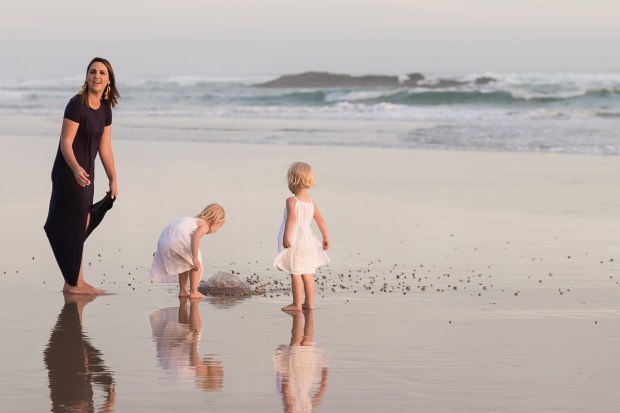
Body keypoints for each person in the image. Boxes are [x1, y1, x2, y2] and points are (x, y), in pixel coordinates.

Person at [44, 57, 120, 295]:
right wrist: (76, 169)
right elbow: (65, 142)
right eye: (93, 72)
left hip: (87, 173)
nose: (97, 76)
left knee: (82, 222)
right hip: (69, 171)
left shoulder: (105, 110)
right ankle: (74, 284)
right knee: (76, 223)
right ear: (87, 77)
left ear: (109, 80)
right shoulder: (76, 105)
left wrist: (113, 178)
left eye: (102, 73)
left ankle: (75, 281)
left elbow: (104, 147)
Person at [44, 294, 116, 413]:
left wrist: (107, 384)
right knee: (73, 306)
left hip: (71, 379)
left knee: (73, 305)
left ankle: (76, 287)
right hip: (64, 369)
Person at [274, 162, 330, 311]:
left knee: (296, 273)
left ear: (293, 181)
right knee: (307, 272)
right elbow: (320, 220)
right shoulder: (311, 202)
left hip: (296, 240)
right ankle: (309, 303)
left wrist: (286, 236)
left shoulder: (292, 201)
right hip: (309, 241)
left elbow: (291, 219)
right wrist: (325, 237)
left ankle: (297, 304)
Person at [150, 203, 225, 299]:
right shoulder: (204, 225)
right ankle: (194, 292)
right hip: (178, 238)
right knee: (196, 264)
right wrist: (195, 258)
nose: (216, 231)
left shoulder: (189, 221)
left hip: (165, 238)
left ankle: (183, 291)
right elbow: (195, 237)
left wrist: (159, 250)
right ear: (215, 221)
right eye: (218, 227)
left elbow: (171, 233)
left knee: (184, 262)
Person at [150, 299, 224, 391]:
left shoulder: (203, 373)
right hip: (169, 359)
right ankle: (186, 304)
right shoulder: (192, 381)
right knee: (185, 329)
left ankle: (193, 302)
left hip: (177, 361)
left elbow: (194, 359)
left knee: (195, 327)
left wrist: (195, 337)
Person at [273, 310, 329, 412]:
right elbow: (285, 390)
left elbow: (319, 395)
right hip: (294, 369)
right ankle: (298, 317)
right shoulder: (292, 407)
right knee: (296, 339)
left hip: (307, 370)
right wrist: (285, 374)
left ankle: (306, 317)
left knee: (308, 339)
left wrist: (324, 378)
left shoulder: (307, 408)